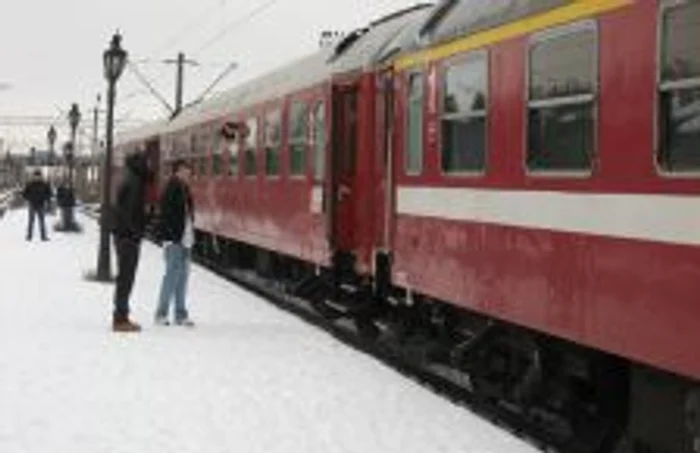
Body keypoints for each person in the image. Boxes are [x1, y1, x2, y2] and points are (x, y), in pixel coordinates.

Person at [111, 151, 152, 333]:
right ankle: (121, 319)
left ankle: (121, 316)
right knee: (126, 278)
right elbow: (129, 213)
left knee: (124, 277)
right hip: (127, 237)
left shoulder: (128, 177)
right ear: (140, 164)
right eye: (147, 163)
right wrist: (137, 233)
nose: (150, 166)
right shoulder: (134, 182)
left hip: (123, 235)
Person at [155, 159, 195, 327]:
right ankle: (161, 314)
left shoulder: (184, 188)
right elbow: (166, 215)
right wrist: (172, 237)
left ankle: (180, 314)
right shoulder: (171, 188)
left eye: (189, 171)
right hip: (174, 240)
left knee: (182, 278)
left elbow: (187, 214)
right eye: (186, 170)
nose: (189, 174)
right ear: (177, 171)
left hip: (185, 239)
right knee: (171, 277)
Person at [22, 170, 51, 241]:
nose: (37, 178)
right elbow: (24, 194)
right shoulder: (29, 184)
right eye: (35, 176)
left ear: (41, 176)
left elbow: (49, 194)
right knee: (31, 221)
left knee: (42, 221)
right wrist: (29, 198)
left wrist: (45, 198)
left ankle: (43, 236)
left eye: (38, 176)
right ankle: (29, 236)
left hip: (41, 204)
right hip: (32, 204)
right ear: (33, 177)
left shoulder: (44, 184)